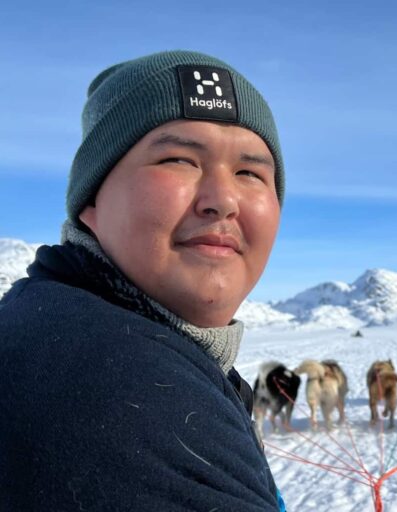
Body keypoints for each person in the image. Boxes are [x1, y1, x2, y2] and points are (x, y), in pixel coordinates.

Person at [0, 50, 287, 511]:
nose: (223, 201)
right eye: (178, 160)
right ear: (91, 201)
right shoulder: (117, 383)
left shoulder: (49, 318)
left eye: (250, 173)